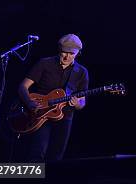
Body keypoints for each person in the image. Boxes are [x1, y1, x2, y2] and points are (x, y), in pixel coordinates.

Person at [18, 33, 89, 161]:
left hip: (65, 117)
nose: (67, 56)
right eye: (64, 52)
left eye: (72, 53)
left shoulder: (81, 72)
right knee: (37, 153)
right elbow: (23, 86)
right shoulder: (45, 63)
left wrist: (77, 104)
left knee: (56, 156)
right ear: (59, 49)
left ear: (78, 53)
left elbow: (82, 101)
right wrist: (29, 102)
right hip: (41, 114)